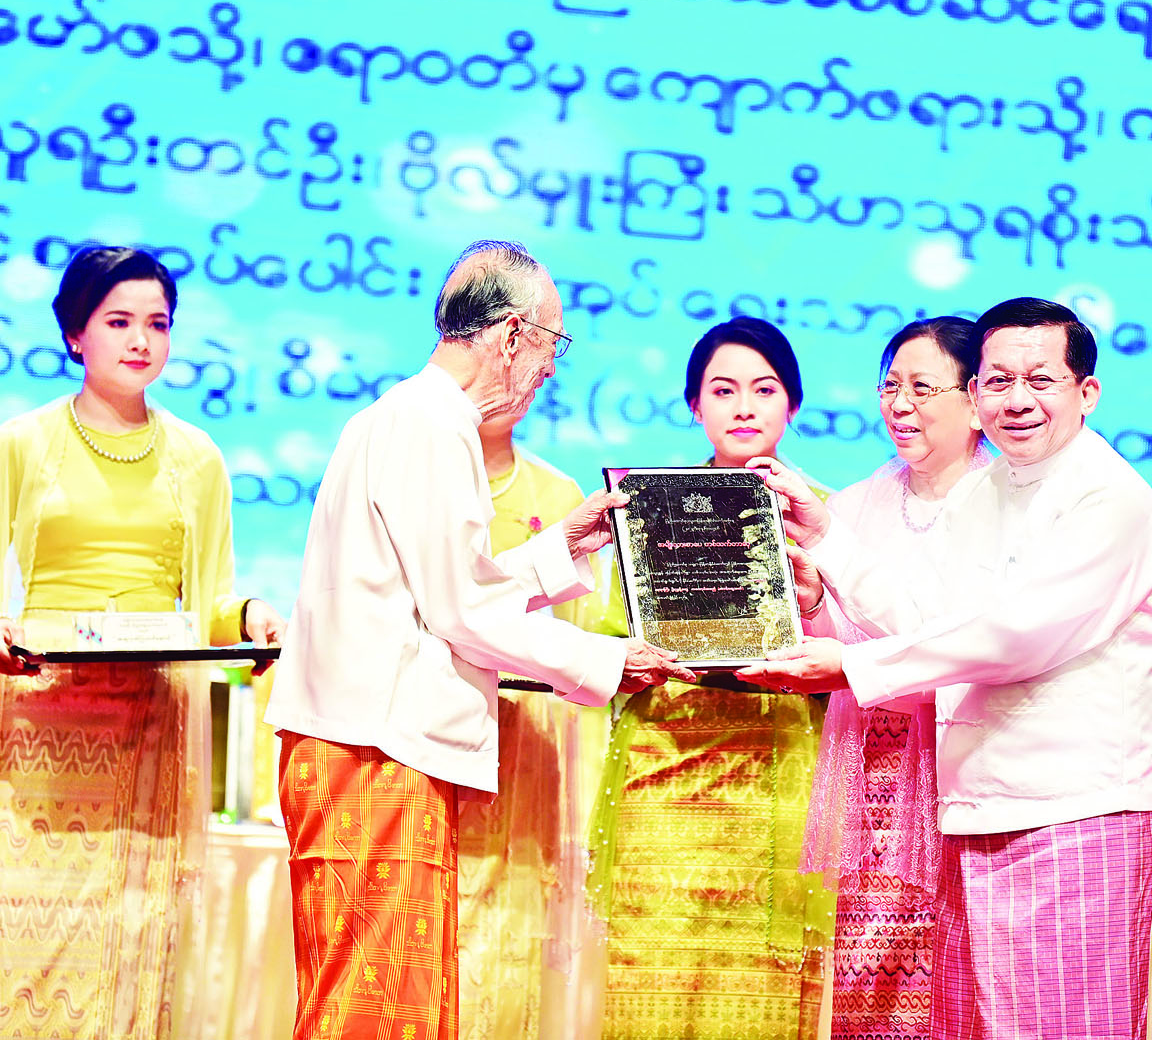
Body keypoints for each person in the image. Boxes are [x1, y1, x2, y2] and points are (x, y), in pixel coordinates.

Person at [263, 239, 692, 1040]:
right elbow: (461, 608)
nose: (552, 367)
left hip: (375, 746)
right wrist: (605, 659)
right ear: (511, 335)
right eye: (554, 343)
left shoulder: (411, 415)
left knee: (393, 996)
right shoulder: (431, 424)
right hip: (372, 750)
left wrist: (562, 545)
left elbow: (446, 585)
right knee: (369, 1005)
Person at [742, 297, 1152, 1040]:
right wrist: (825, 535)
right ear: (977, 394)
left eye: (1039, 380)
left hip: (1074, 814)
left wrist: (852, 667)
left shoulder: (1112, 499)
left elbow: (1016, 637)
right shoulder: (984, 489)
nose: (1017, 399)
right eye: (998, 380)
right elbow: (924, 614)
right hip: (972, 812)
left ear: (1086, 392)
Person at [0, 245, 287, 1038]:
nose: (140, 340)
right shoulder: (24, 441)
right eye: (118, 321)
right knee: (29, 924)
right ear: (75, 334)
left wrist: (252, 614)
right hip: (42, 719)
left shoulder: (197, 455)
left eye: (157, 324)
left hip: (149, 721)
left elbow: (214, 597)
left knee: (133, 932)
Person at [585, 316, 837, 1039]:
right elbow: (608, 637)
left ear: (793, 403)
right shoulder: (647, 506)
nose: (744, 407)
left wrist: (811, 605)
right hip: (665, 768)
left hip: (777, 775)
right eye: (723, 391)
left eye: (765, 389)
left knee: (764, 987)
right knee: (651, 974)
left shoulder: (827, 514)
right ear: (695, 405)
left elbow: (860, 650)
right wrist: (631, 661)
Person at [798, 316, 991, 1040]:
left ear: (975, 402)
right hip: (874, 769)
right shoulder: (855, 504)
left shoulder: (1001, 504)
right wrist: (811, 603)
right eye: (890, 386)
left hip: (962, 760)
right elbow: (839, 643)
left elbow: (952, 638)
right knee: (870, 973)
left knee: (959, 968)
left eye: (922, 388)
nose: (900, 404)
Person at [457, 409, 628, 1040]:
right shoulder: (424, 481)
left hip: (526, 741)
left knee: (513, 918)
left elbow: (579, 644)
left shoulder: (557, 492)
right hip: (438, 727)